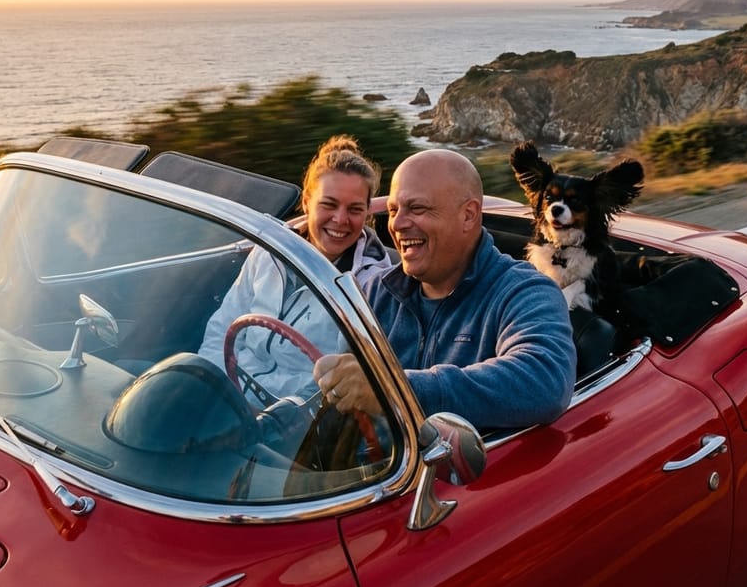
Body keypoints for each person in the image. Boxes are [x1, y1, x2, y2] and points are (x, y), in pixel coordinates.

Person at [312, 148, 577, 431]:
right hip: (380, 458)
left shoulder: (525, 292)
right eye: (393, 210)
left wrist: (395, 389)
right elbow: (334, 387)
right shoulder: (374, 292)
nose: (397, 224)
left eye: (417, 209)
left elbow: (543, 380)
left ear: (468, 215)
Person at [198, 135, 394, 406]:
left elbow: (343, 385)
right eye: (328, 204)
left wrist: (276, 415)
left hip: (289, 417)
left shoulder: (373, 287)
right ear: (307, 202)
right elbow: (222, 327)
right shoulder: (270, 250)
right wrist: (209, 387)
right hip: (227, 393)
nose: (340, 219)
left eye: (354, 209)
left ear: (367, 213)